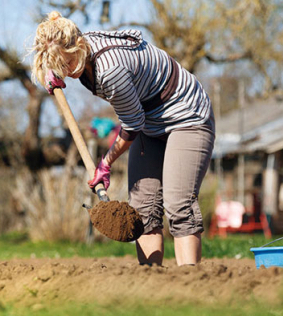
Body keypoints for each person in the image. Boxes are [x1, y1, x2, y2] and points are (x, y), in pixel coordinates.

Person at [32, 11, 215, 266]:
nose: (64, 71)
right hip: (150, 122)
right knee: (144, 210)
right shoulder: (79, 50)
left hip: (186, 118)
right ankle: (153, 284)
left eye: (66, 63)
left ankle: (192, 283)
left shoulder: (110, 70)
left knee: (178, 205)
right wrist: (52, 75)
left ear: (78, 45)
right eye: (58, 66)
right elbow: (138, 120)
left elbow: (131, 125)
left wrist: (105, 164)